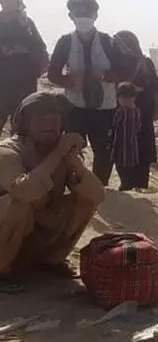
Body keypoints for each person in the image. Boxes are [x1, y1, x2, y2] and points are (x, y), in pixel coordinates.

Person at [0, 92, 105, 277]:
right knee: (17, 204)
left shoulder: (63, 150)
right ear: (25, 123)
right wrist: (57, 153)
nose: (49, 124)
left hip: (39, 225)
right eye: (41, 119)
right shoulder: (8, 150)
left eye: (54, 119)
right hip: (11, 223)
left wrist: (75, 162)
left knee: (85, 199)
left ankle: (49, 261)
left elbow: (98, 195)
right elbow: (25, 192)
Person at [47, 0, 137, 186]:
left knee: (103, 151)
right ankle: (73, 186)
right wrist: (70, 80)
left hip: (105, 107)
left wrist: (105, 74)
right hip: (74, 105)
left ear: (96, 16)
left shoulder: (108, 41)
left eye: (87, 14)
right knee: (71, 149)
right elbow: (52, 73)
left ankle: (99, 186)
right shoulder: (65, 42)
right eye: (78, 14)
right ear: (70, 16)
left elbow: (129, 68)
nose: (83, 18)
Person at [113, 30, 158, 190]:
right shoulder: (120, 62)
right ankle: (132, 185)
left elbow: (156, 85)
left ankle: (135, 185)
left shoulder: (140, 62)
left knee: (135, 149)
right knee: (128, 149)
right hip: (133, 114)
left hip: (136, 112)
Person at [0, 0, 48, 134]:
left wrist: (22, 50)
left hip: (23, 81)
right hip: (2, 81)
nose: (7, 2)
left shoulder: (26, 24)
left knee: (22, 125)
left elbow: (40, 48)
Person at [112, 83, 144, 191]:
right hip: (128, 145)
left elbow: (114, 125)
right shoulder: (137, 111)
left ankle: (126, 186)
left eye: (127, 98)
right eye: (122, 98)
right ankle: (127, 185)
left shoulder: (122, 112)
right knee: (125, 167)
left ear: (134, 98)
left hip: (123, 145)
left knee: (124, 168)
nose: (124, 100)